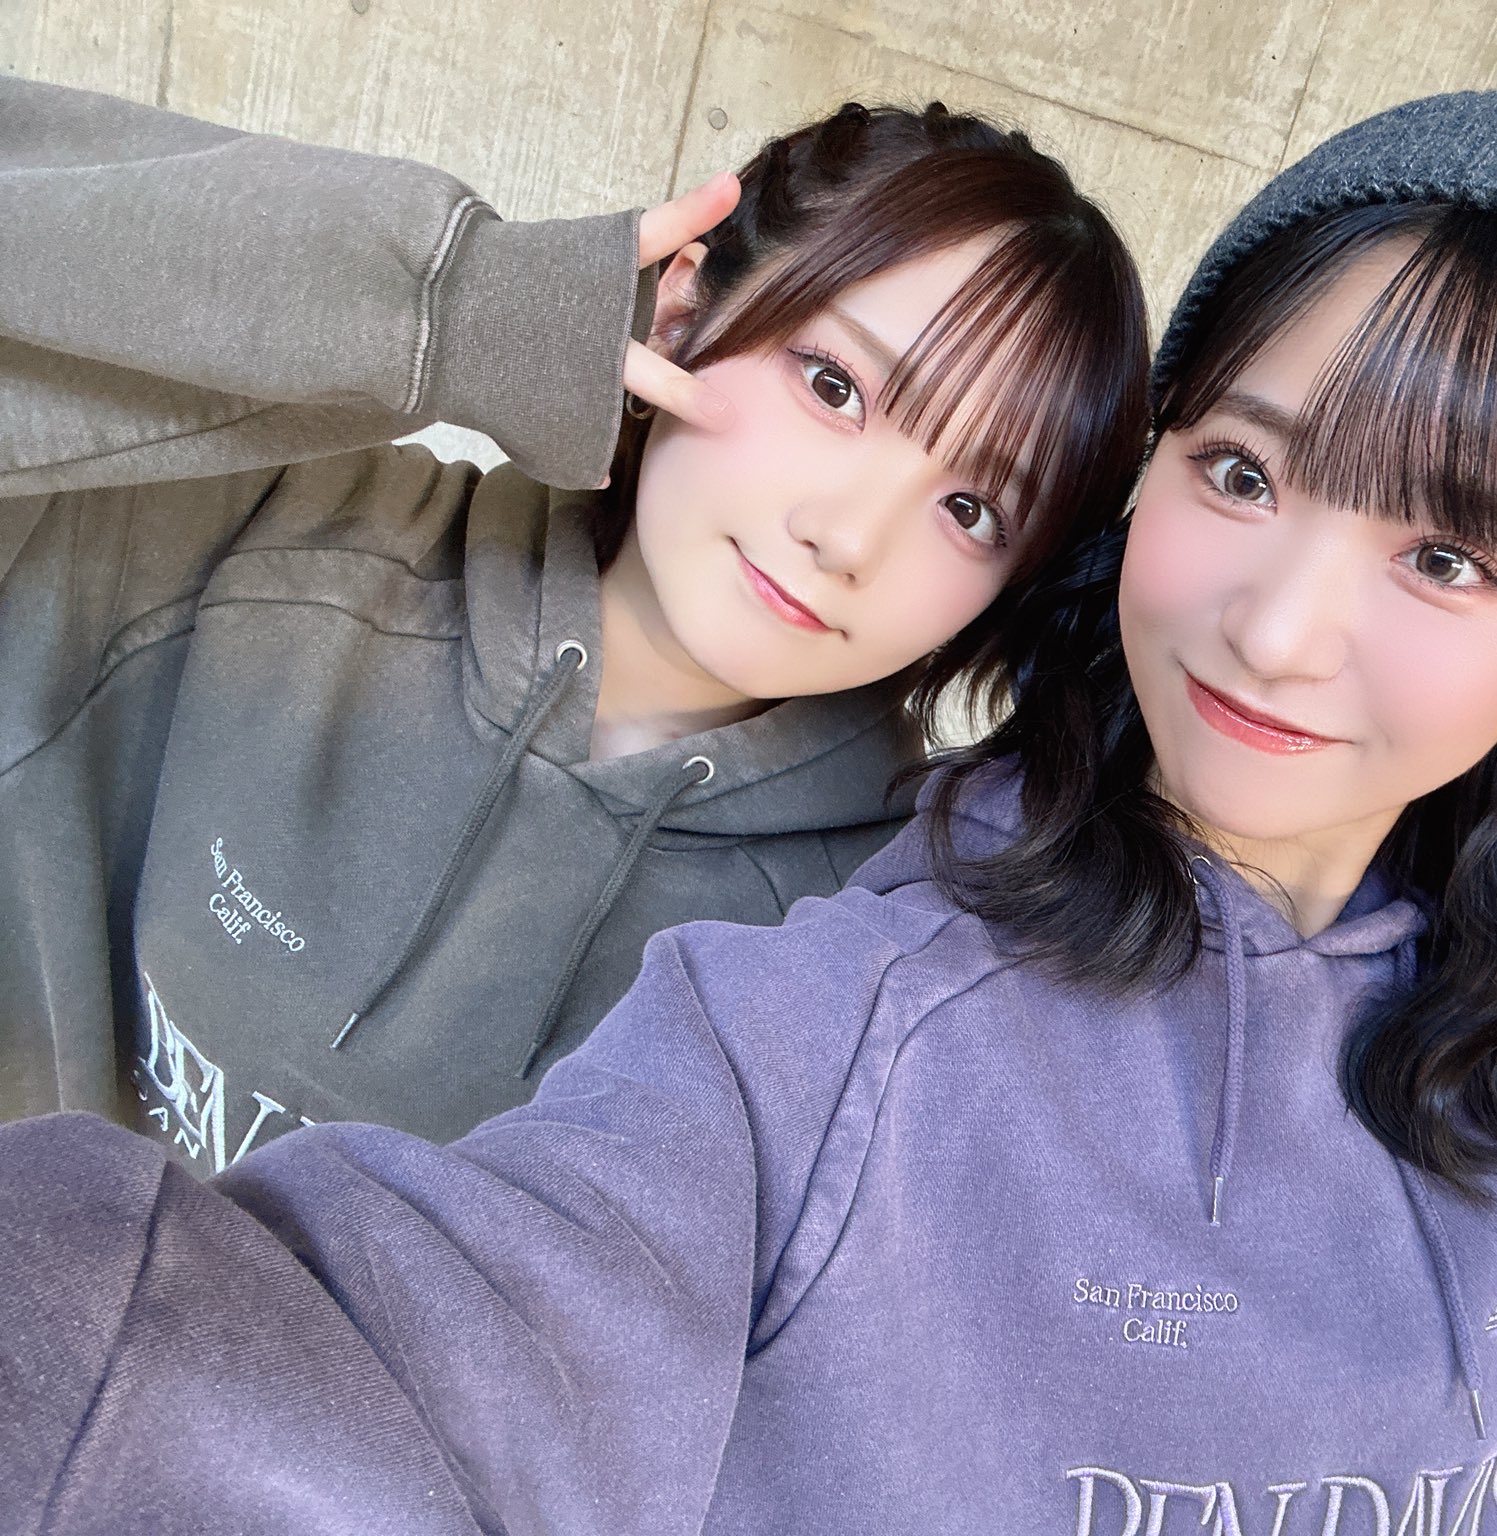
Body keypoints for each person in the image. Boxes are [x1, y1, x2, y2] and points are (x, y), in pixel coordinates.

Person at [4, 90, 1497, 1535]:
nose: (1275, 631)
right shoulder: (826, 1032)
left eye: (1446, 558)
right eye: (1242, 472)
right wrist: (469, 309)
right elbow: (367, 1387)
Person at [0, 80, 1148, 1160]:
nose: (847, 538)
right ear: (683, 309)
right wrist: (454, 309)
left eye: (969, 508)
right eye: (834, 386)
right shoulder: (275, 534)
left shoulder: (866, 936)